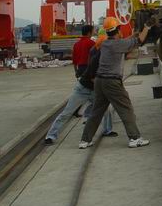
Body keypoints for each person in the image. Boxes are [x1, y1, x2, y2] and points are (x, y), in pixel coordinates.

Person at [79, 16, 152, 149]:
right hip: (111, 82)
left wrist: (133, 34)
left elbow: (123, 42)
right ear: (118, 30)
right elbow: (140, 41)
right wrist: (147, 27)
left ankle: (85, 140)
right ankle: (134, 138)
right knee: (126, 109)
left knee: (96, 112)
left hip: (99, 81)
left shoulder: (105, 43)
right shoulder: (118, 44)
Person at [45, 36, 115, 144]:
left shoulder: (105, 56)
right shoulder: (96, 57)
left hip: (94, 90)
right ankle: (50, 136)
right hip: (82, 89)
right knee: (66, 113)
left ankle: (108, 130)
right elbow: (94, 79)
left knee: (107, 109)